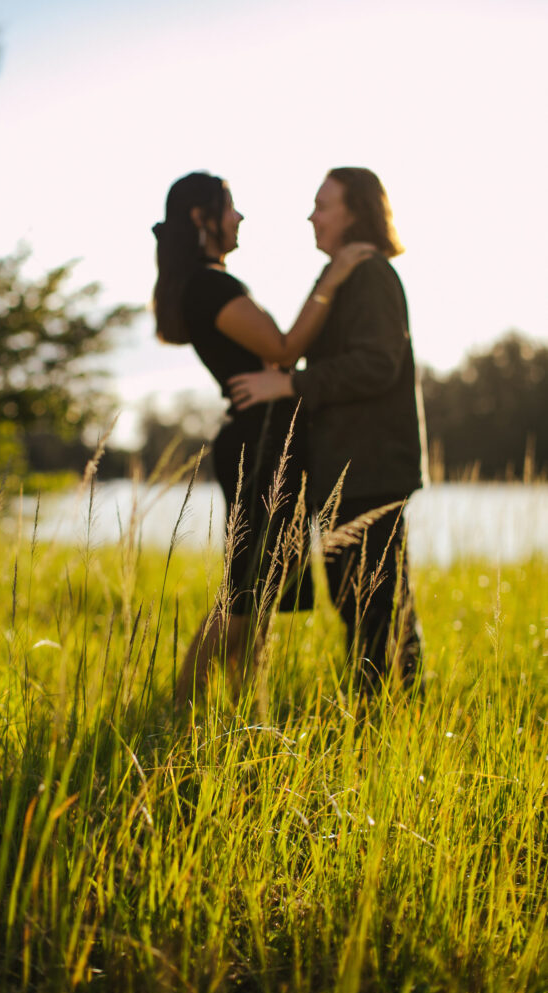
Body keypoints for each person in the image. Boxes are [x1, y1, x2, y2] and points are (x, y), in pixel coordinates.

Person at [152, 171, 372, 707]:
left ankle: (246, 717)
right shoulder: (209, 285)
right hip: (260, 446)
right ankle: (180, 713)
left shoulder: (211, 283)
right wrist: (333, 276)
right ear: (201, 219)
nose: (239, 217)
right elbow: (283, 346)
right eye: (229, 208)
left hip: (273, 445)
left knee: (260, 597)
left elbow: (278, 357)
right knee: (244, 598)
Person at [229, 167, 427, 695]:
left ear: (355, 211)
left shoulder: (369, 275)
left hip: (370, 468)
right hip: (350, 469)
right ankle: (377, 719)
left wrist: (289, 385)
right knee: (356, 602)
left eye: (322, 205)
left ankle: (391, 722)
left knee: (375, 606)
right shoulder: (344, 273)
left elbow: (377, 364)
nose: (312, 216)